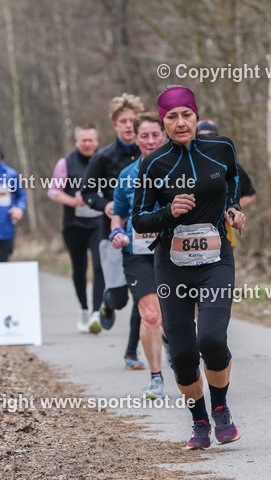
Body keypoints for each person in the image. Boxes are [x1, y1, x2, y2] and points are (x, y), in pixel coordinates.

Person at [132, 86, 245, 450]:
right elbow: (139, 220)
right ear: (163, 122)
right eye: (171, 116)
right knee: (181, 355)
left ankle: (222, 409)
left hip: (215, 260)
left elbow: (232, 183)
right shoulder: (153, 163)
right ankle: (199, 422)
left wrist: (233, 209)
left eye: (187, 115)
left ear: (196, 117)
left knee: (211, 339)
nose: (180, 123)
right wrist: (169, 212)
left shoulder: (222, 149)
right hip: (172, 264)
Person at [83, 93, 145, 369]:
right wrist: (106, 204)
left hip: (145, 234)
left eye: (133, 120)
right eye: (124, 121)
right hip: (113, 234)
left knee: (143, 294)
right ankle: (107, 305)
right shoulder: (103, 157)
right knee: (120, 298)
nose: (129, 125)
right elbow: (86, 192)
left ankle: (132, 353)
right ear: (115, 125)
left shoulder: (152, 155)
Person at [111, 112, 168, 398]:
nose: (149, 140)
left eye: (155, 134)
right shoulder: (127, 175)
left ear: (164, 134)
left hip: (173, 253)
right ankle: (156, 379)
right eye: (143, 135)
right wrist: (116, 233)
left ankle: (176, 351)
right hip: (138, 254)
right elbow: (118, 214)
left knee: (174, 318)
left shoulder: (181, 169)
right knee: (150, 316)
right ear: (135, 138)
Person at [49, 125, 107, 333]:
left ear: (97, 141)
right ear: (77, 141)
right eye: (83, 140)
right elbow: (54, 191)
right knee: (79, 268)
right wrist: (72, 201)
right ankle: (83, 309)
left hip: (99, 222)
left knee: (100, 266)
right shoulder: (66, 162)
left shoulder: (104, 159)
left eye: (91, 140)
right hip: (74, 224)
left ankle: (95, 313)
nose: (87, 144)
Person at [198, 120, 256, 246]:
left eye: (212, 136)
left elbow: (250, 195)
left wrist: (229, 208)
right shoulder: (185, 163)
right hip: (192, 235)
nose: (207, 139)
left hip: (223, 232)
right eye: (203, 135)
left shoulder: (229, 164)